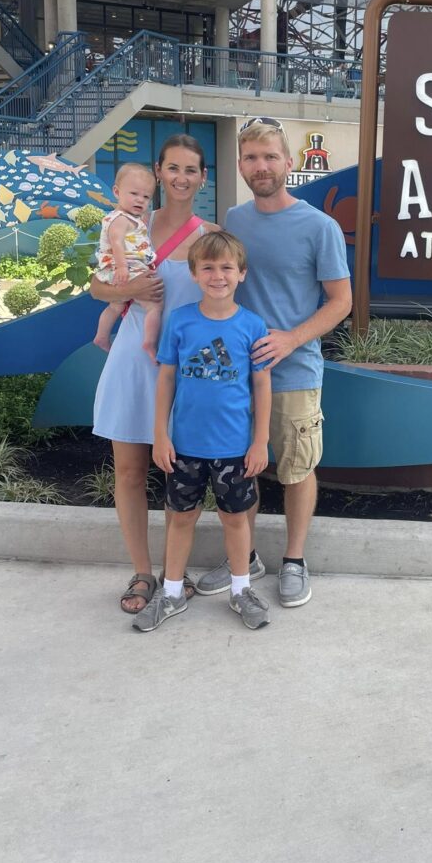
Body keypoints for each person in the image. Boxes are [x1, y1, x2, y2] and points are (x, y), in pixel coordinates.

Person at [196, 118, 352, 608]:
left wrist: (291, 339)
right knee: (240, 471)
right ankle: (247, 558)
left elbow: (341, 301)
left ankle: (294, 560)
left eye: (269, 157)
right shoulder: (234, 220)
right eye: (250, 158)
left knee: (295, 470)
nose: (260, 167)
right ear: (240, 164)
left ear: (289, 162)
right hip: (233, 377)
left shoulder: (319, 227)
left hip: (293, 374)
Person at [91, 134, 219, 614]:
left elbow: (224, 297)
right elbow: (96, 286)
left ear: (202, 177)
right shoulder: (129, 223)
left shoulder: (211, 233)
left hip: (187, 369)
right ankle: (143, 571)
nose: (181, 178)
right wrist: (128, 285)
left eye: (191, 170)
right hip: (131, 356)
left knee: (182, 474)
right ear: (159, 173)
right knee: (128, 471)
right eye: (173, 168)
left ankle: (174, 571)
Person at [133, 230, 272, 633]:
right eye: (208, 267)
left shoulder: (252, 325)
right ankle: (172, 593)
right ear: (194, 273)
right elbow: (166, 379)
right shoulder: (180, 321)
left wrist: (260, 440)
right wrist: (160, 434)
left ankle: (241, 589)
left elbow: (262, 385)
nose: (218, 275)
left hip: (234, 449)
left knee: (235, 520)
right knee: (180, 518)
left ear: (242, 274)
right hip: (184, 448)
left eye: (227, 267)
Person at [92, 163, 161, 359]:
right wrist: (122, 266)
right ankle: (149, 342)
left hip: (121, 268)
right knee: (153, 306)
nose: (140, 200)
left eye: (146, 197)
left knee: (116, 306)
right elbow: (116, 241)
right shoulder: (121, 218)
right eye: (134, 194)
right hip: (127, 268)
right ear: (116, 191)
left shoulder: (131, 218)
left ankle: (101, 336)